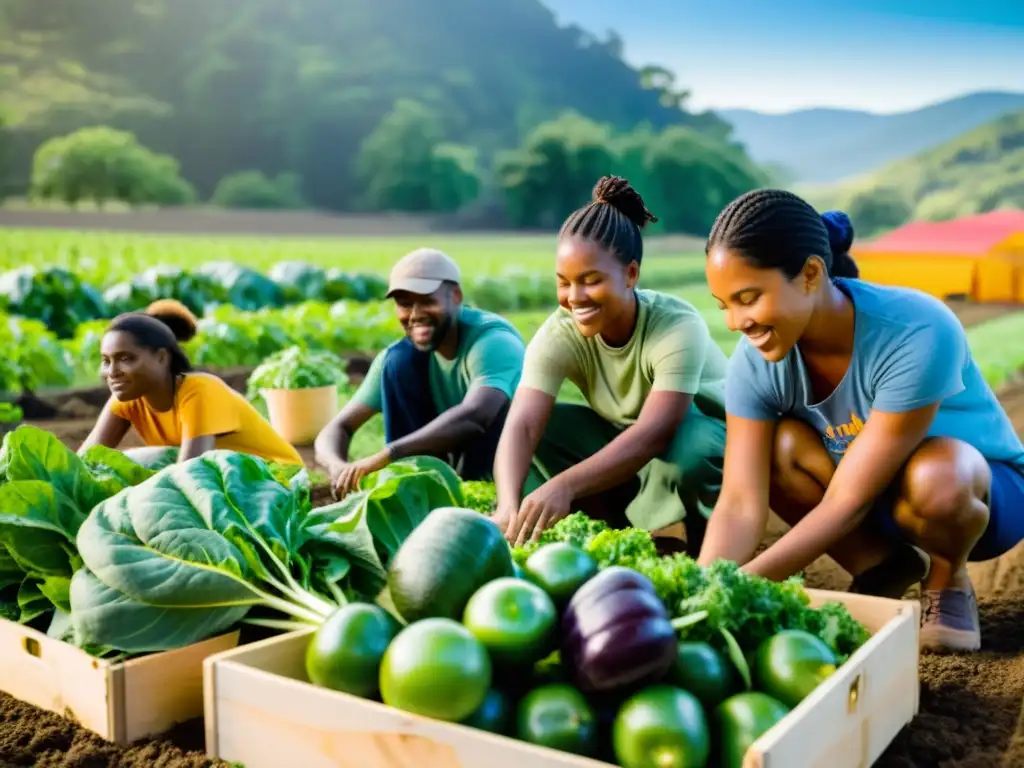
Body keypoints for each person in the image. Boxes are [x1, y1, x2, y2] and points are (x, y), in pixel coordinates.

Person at [698, 188, 1024, 653]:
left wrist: (739, 586)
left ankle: (947, 580)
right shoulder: (753, 365)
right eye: (723, 304)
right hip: (875, 496)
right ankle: (881, 565)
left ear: (810, 274)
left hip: (975, 497)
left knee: (937, 474)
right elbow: (738, 502)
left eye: (748, 298)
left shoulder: (915, 329)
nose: (736, 322)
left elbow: (848, 501)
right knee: (778, 447)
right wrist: (705, 583)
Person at [492, 176, 729, 552]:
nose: (574, 297)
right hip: (630, 444)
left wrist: (565, 485)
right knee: (544, 426)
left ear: (631, 274)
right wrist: (507, 502)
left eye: (591, 280)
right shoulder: (560, 331)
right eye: (564, 282)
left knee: (691, 451)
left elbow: (655, 432)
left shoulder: (676, 326)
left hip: (704, 439)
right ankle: (620, 533)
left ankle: (696, 538)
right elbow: (521, 425)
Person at [315, 247, 526, 499]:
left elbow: (475, 416)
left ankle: (486, 492)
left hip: (511, 467)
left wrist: (387, 455)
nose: (415, 315)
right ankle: (417, 486)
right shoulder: (398, 358)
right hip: (448, 464)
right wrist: (337, 466)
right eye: (405, 304)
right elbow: (339, 427)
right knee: (397, 363)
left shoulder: (492, 342)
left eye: (428, 301)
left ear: (456, 296)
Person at [79, 299, 303, 467]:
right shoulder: (127, 395)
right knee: (123, 464)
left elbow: (190, 472)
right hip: (226, 479)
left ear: (162, 358)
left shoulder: (200, 391)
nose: (112, 372)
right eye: (106, 361)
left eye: (126, 359)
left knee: (154, 464)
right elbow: (84, 462)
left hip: (277, 478)